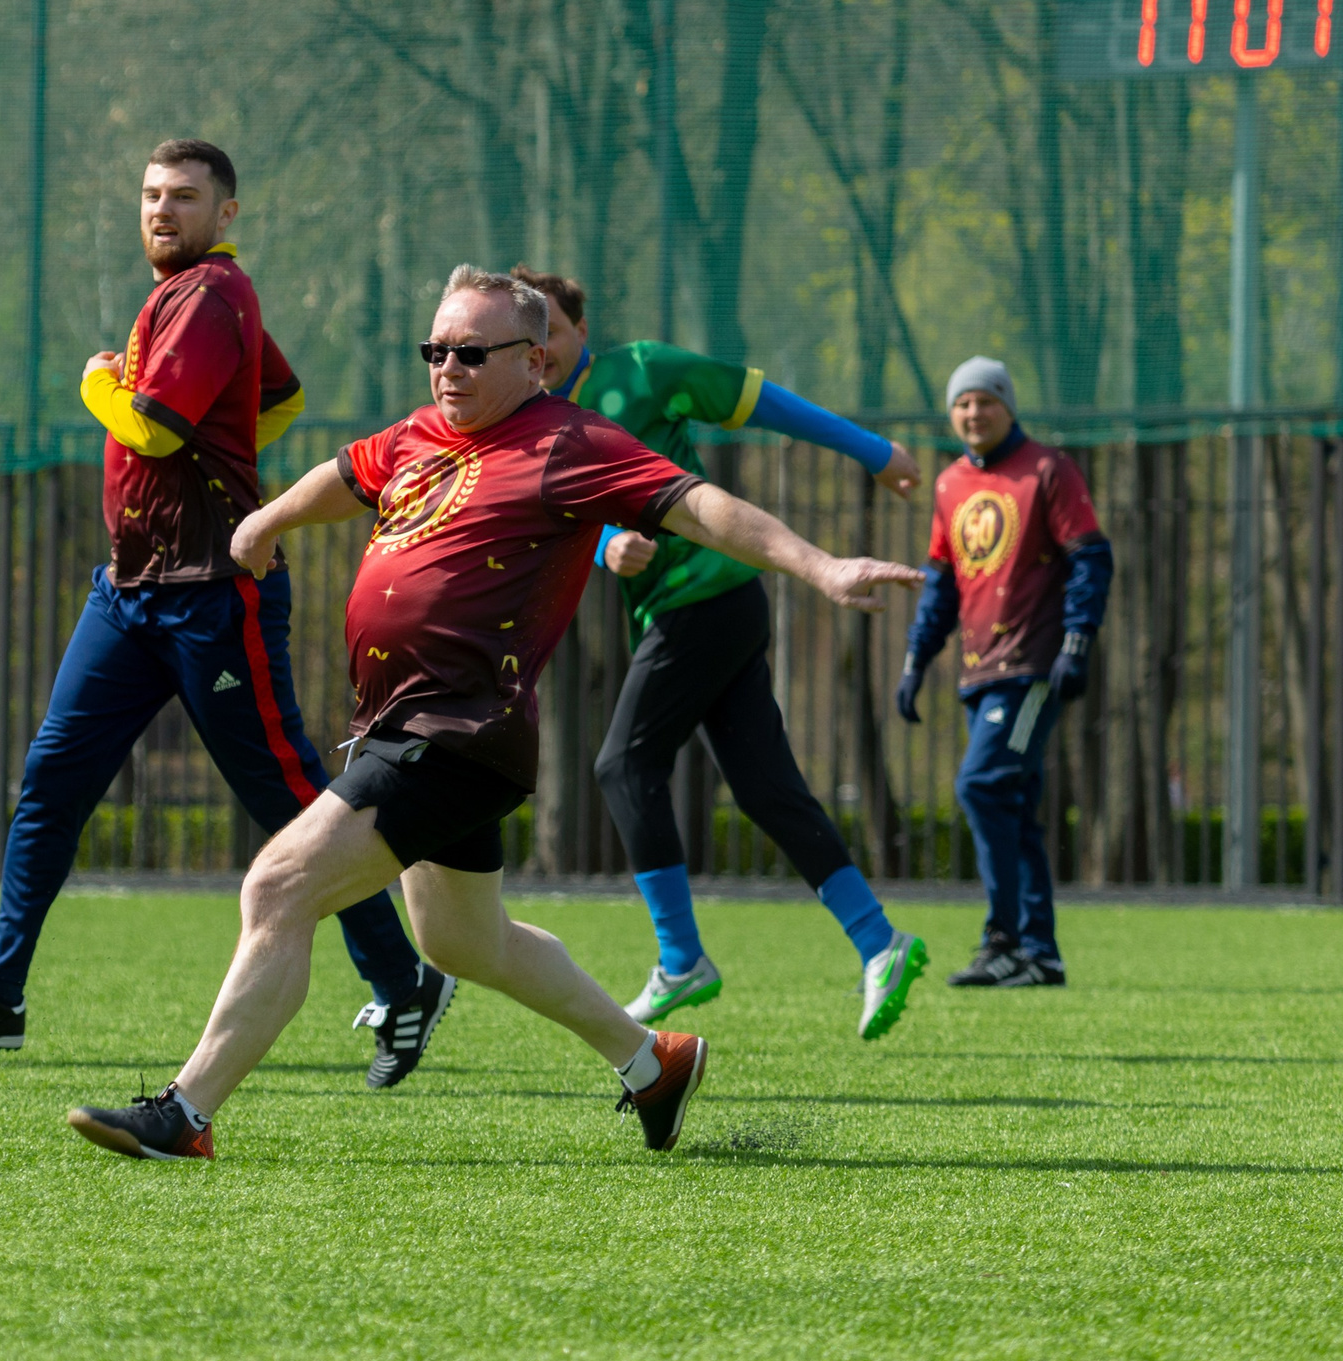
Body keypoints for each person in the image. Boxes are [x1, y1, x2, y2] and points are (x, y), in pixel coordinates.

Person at [64, 265, 921, 1160]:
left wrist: (822, 566)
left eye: (471, 353)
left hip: (455, 735)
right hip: (404, 726)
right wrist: (269, 520)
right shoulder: (420, 433)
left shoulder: (570, 442)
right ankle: (652, 1062)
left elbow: (700, 507)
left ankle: (185, 1114)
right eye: (436, 351)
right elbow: (345, 474)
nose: (448, 368)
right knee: (464, 942)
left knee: (277, 886)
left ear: (534, 361)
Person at [0, 140, 448, 1090]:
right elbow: (281, 396)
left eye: (185, 197)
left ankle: (405, 981)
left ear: (225, 213)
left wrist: (96, 382)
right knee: (52, 779)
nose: (163, 210)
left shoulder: (211, 293)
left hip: (210, 594)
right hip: (128, 593)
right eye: (152, 194)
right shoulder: (186, 297)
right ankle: (2, 992)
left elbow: (151, 427)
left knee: (287, 797)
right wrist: (220, 436)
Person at [516, 269, 933, 1041]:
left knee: (623, 765)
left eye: (552, 332)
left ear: (582, 330)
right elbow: (562, 518)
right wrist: (607, 545)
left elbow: (764, 403)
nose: (540, 351)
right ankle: (881, 942)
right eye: (526, 338)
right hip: (705, 610)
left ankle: (681, 959)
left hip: (704, 599)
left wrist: (874, 451)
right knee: (768, 789)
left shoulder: (642, 371)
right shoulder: (529, 421)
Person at [898, 357, 1113, 988]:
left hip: (1031, 666)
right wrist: (915, 661)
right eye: (962, 403)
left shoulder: (1048, 469)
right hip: (978, 672)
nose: (974, 413)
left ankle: (1005, 939)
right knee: (1012, 806)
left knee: (982, 786)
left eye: (986, 401)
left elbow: (1091, 558)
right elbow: (941, 584)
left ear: (1008, 406)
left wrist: (1076, 643)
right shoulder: (949, 485)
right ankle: (1038, 954)